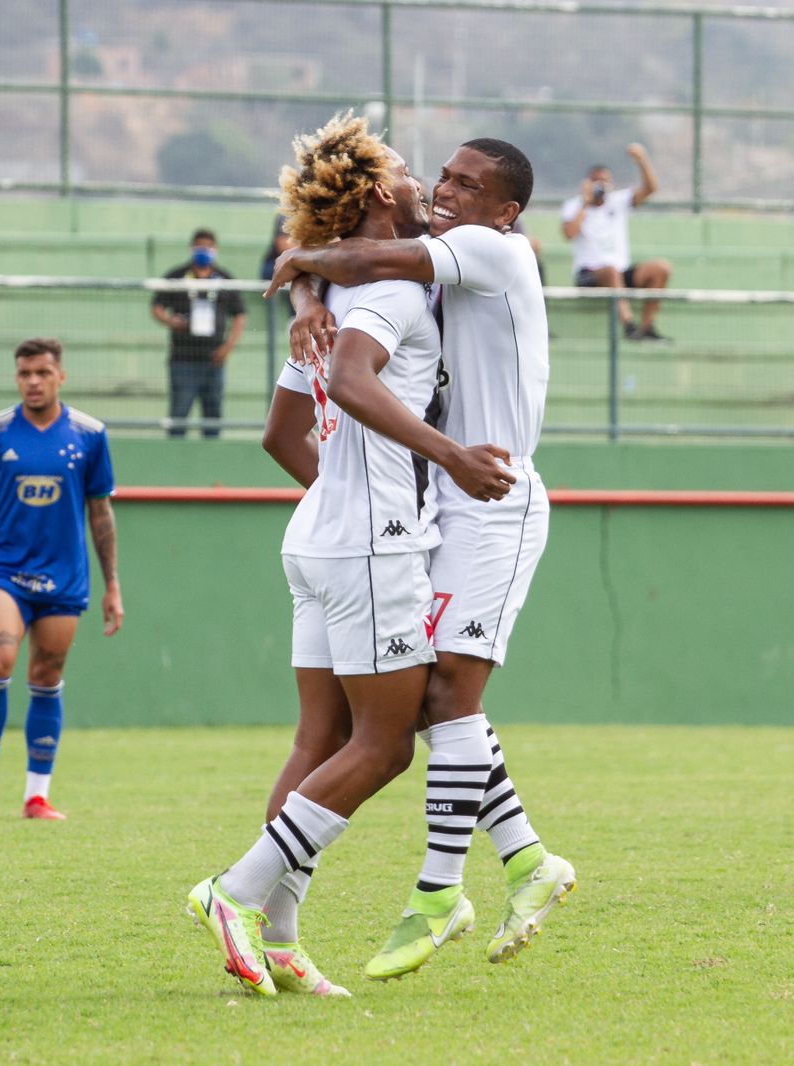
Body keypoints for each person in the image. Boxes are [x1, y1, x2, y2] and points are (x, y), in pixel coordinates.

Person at [188, 113, 516, 998]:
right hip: (371, 545)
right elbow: (352, 381)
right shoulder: (395, 293)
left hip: (318, 542)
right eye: (408, 172)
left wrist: (303, 293)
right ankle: (235, 892)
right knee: (387, 745)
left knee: (322, 738)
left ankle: (280, 940)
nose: (423, 184)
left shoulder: (330, 300)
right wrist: (445, 461)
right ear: (378, 191)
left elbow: (278, 434)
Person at [268, 137, 577, 981]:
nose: (445, 188)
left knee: (444, 697)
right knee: (421, 704)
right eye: (442, 175)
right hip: (445, 499)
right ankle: (527, 860)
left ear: (507, 212)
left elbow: (363, 256)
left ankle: (440, 891)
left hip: (496, 495)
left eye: (467, 184)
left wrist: (300, 265)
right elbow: (357, 259)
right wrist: (305, 286)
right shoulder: (425, 271)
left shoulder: (493, 250)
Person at [0, 338, 124, 822]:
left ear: (60, 377)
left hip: (64, 577)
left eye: (43, 373)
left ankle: (37, 795)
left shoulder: (90, 434)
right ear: (17, 378)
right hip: (6, 573)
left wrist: (112, 585)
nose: (33, 382)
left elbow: (101, 513)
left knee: (46, 676)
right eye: (25, 373)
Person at [560, 143, 671, 341]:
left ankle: (647, 327)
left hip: (621, 272)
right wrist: (586, 203)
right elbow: (569, 234)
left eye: (605, 181)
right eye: (596, 181)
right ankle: (629, 325)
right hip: (589, 275)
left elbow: (650, 189)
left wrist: (642, 159)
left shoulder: (617, 201)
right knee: (611, 271)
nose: (600, 185)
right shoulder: (574, 205)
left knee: (660, 268)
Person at [150, 229, 246, 438]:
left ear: (216, 249)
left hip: (214, 359)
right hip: (182, 358)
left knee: (213, 417)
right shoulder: (177, 276)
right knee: (178, 415)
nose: (204, 250)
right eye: (199, 246)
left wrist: (228, 346)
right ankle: (175, 454)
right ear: (192, 248)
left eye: (208, 246)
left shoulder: (224, 279)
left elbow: (240, 315)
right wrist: (171, 321)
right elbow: (157, 307)